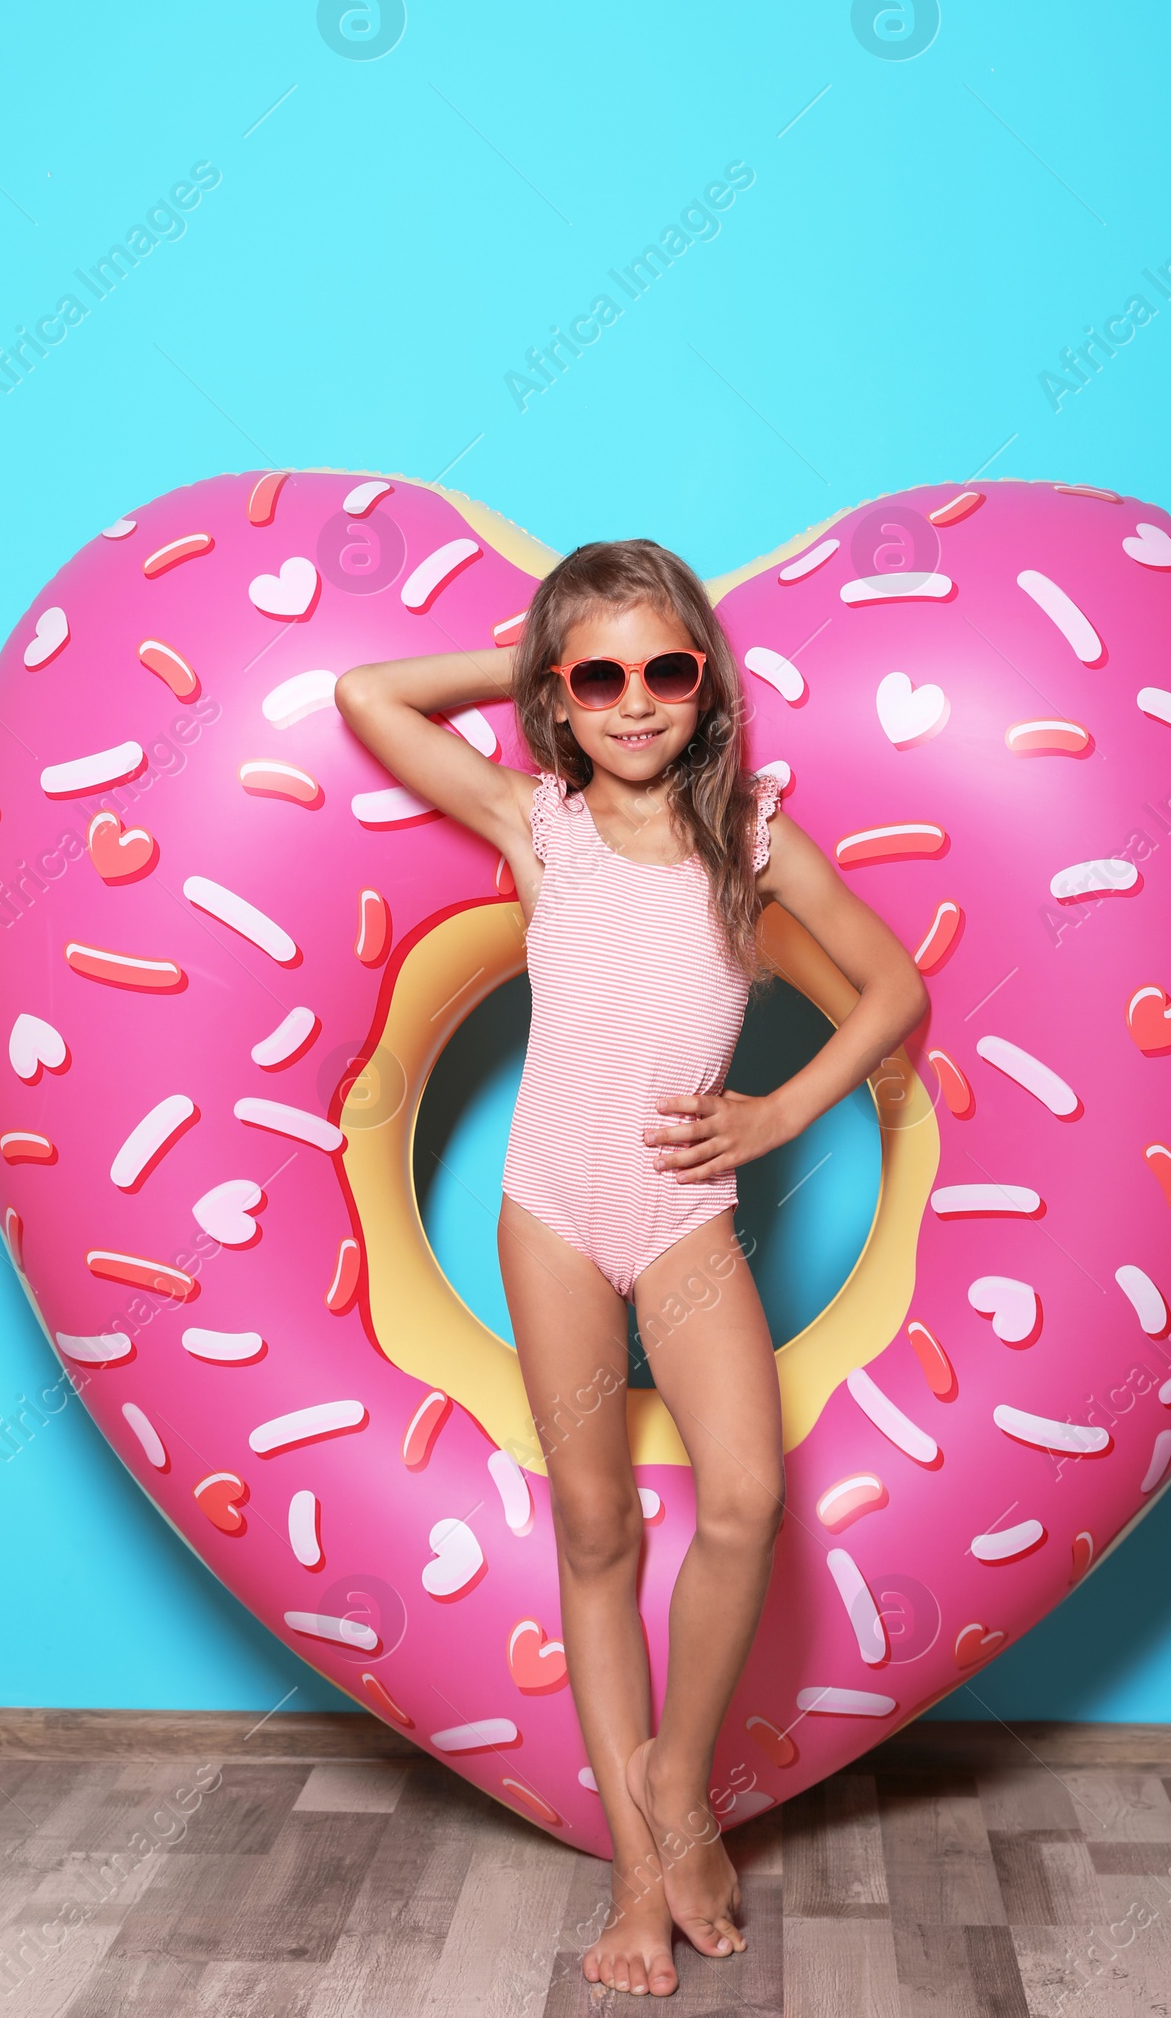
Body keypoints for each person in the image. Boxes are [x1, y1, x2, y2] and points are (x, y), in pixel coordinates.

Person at [336, 537, 929, 1998]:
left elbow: (896, 985)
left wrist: (785, 1111)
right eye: (597, 678)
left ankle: (677, 1788)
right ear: (559, 695)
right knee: (594, 1534)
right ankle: (635, 1877)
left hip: (679, 1217)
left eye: (666, 669)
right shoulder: (537, 822)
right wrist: (525, 658)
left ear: (707, 682)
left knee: (744, 1497)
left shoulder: (753, 839)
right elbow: (368, 692)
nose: (635, 702)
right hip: (547, 1215)